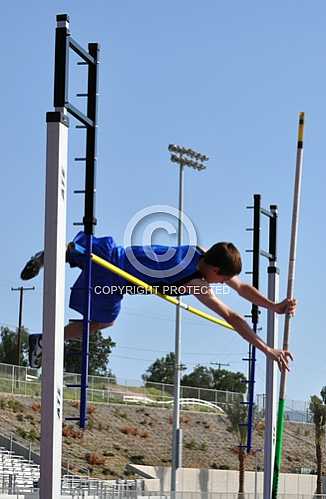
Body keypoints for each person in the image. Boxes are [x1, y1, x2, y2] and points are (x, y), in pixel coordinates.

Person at [21, 231, 296, 371]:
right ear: (214, 271)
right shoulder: (196, 283)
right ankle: (43, 341)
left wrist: (274, 306)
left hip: (116, 254)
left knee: (78, 255)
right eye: (222, 280)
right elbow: (233, 318)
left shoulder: (200, 253)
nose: (223, 284)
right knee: (103, 321)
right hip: (113, 278)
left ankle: (55, 254)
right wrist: (268, 350)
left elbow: (242, 287)